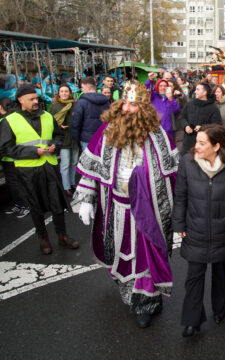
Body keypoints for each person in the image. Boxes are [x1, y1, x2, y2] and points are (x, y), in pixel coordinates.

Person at [75, 82, 179, 328]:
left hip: (150, 209)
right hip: (116, 208)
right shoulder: (106, 131)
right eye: (127, 103)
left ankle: (147, 302)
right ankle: (131, 294)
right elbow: (92, 170)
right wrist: (86, 200)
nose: (129, 109)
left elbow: (173, 174)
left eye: (135, 105)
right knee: (122, 256)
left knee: (147, 256)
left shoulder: (158, 135)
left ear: (144, 109)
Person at [173, 124, 225, 338]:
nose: (196, 146)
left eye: (202, 143)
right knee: (194, 275)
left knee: (223, 270)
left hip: (224, 227)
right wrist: (179, 225)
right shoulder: (187, 162)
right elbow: (181, 196)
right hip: (195, 228)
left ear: (217, 146)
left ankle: (223, 308)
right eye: (197, 141)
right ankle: (192, 320)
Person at [0, 84, 78, 254]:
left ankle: (62, 236)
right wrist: (33, 152)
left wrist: (53, 145)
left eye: (36, 98)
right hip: (27, 171)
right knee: (36, 208)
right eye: (32, 99)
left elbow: (58, 136)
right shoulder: (9, 121)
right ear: (20, 100)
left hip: (50, 167)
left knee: (57, 205)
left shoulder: (47, 116)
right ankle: (43, 239)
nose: (36, 101)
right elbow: (5, 148)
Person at [0, 97, 30, 218]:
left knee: (16, 183)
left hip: (10, 158)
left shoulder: (4, 121)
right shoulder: (15, 118)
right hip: (15, 156)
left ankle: (25, 205)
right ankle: (19, 204)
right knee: (14, 183)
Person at [50, 84, 78, 197]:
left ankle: (72, 183)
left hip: (74, 137)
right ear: (59, 93)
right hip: (63, 138)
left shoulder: (74, 105)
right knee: (65, 164)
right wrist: (59, 126)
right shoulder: (55, 106)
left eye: (66, 91)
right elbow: (51, 121)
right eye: (62, 91)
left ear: (70, 93)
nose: (64, 93)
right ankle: (66, 187)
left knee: (74, 162)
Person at [178, 82, 222, 154]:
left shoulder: (213, 108)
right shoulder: (189, 104)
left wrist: (203, 127)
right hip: (188, 145)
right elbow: (182, 117)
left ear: (204, 92)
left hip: (204, 146)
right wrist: (185, 126)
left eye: (198, 90)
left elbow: (217, 126)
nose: (195, 92)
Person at [71, 77, 110, 150]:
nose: (82, 90)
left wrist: (76, 138)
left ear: (88, 87)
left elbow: (76, 122)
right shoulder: (106, 101)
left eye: (82, 87)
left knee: (88, 160)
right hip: (103, 137)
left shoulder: (81, 102)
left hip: (87, 139)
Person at [145, 72, 181, 139]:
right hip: (155, 130)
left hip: (168, 131)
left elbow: (176, 110)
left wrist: (170, 99)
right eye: (160, 86)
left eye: (165, 86)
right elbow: (148, 89)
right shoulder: (153, 96)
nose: (163, 88)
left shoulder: (170, 98)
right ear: (157, 87)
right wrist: (150, 80)